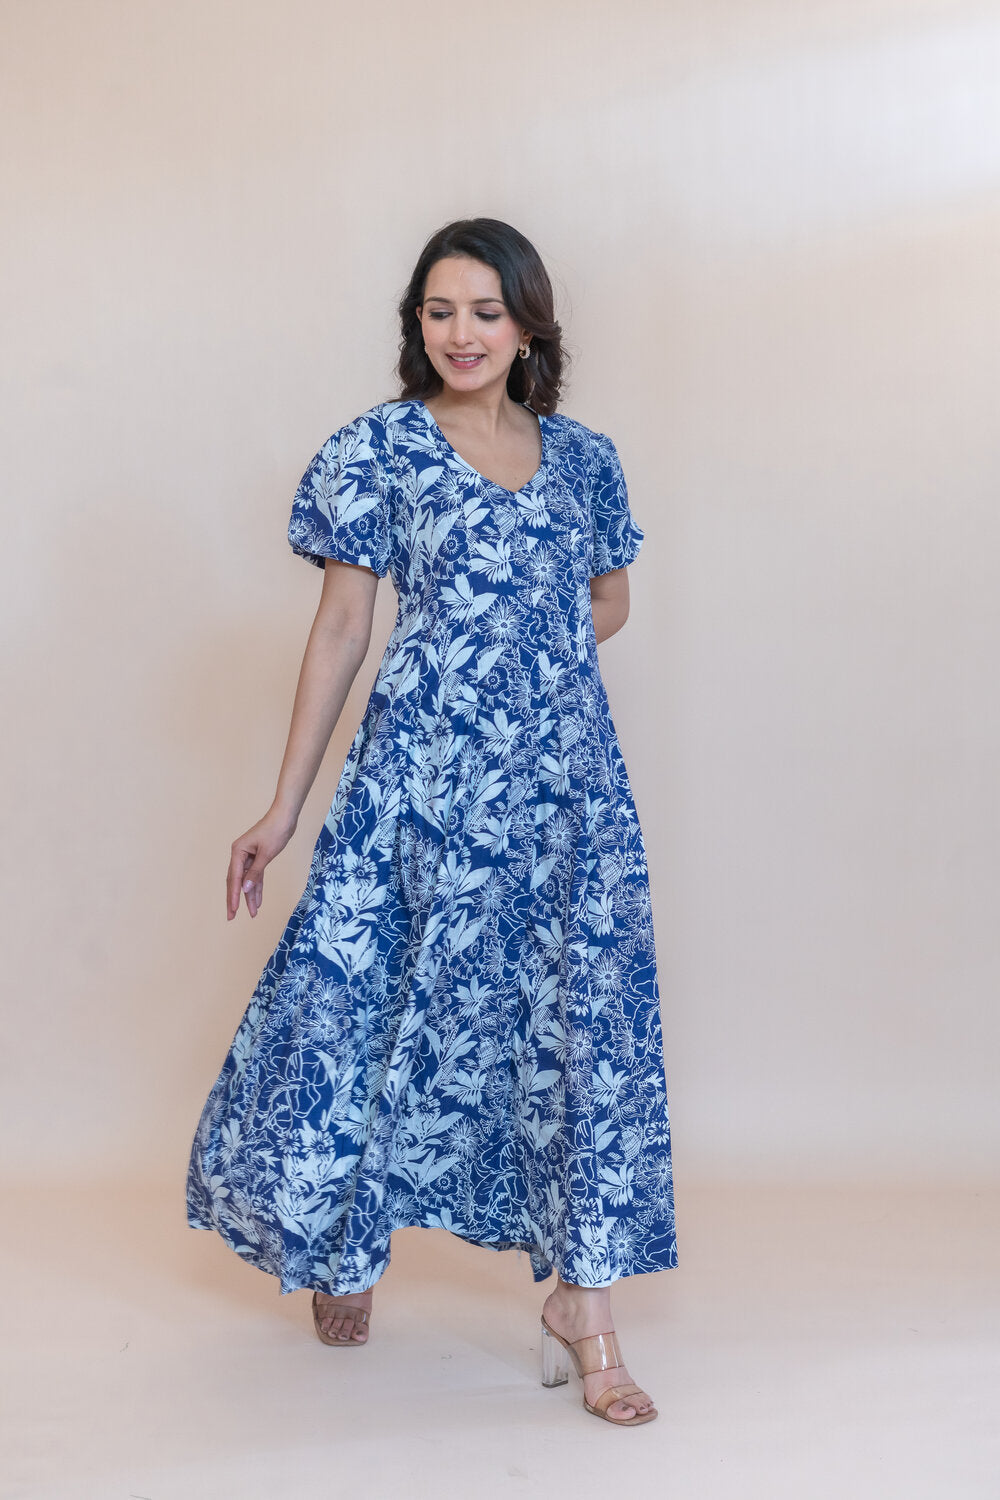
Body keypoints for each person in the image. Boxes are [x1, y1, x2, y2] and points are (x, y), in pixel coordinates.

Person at [186, 217, 677, 1426]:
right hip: (416, 784)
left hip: (562, 791)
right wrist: (282, 807)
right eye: (440, 311)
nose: (462, 333)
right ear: (416, 324)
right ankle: (342, 1244)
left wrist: (523, 655)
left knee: (573, 1024)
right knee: (370, 1003)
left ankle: (584, 1310)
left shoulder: (586, 460)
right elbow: (343, 630)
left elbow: (607, 599)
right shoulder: (378, 450)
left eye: (486, 313)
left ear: (528, 328)